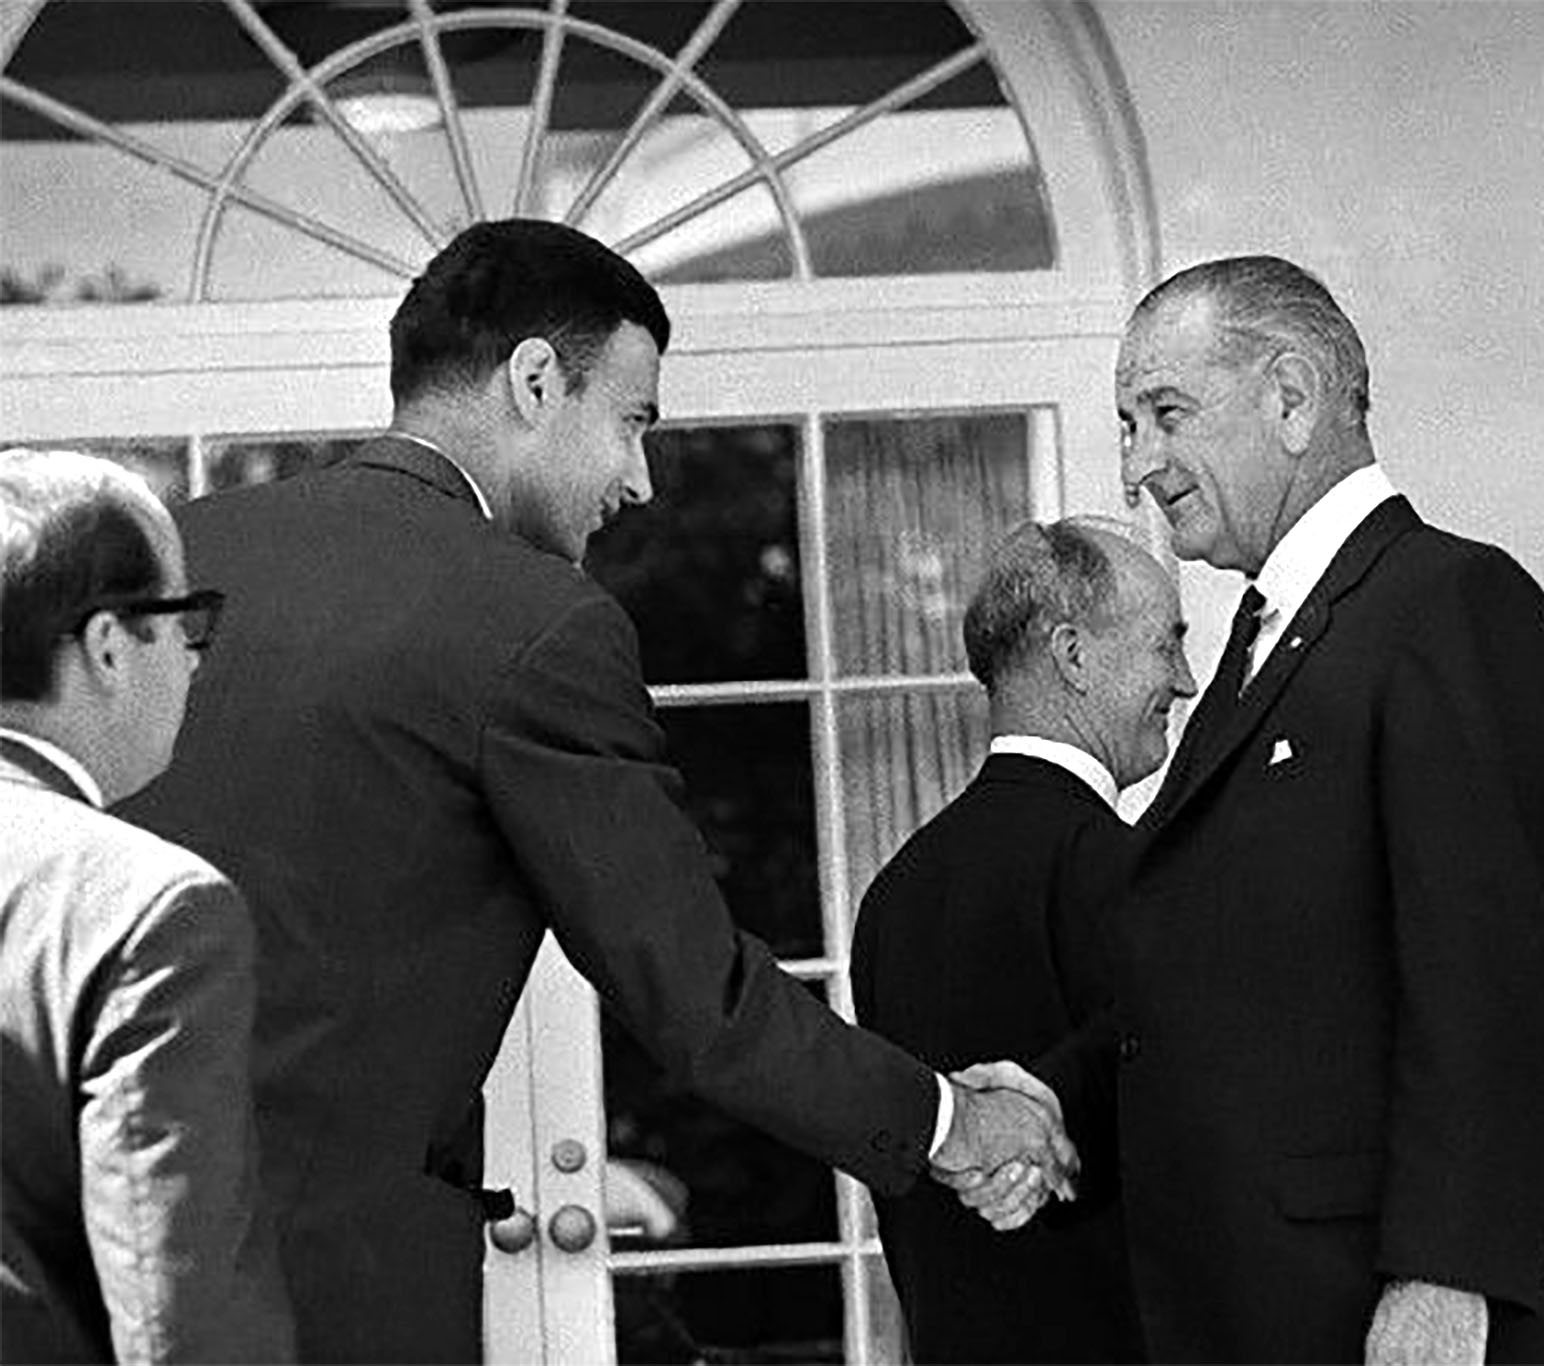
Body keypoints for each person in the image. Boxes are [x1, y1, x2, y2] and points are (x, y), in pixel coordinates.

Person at [117, 219, 1070, 1363]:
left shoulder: (158, 563)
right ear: (533, 381)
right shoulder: (533, 622)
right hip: (326, 1298)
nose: (640, 478)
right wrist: (955, 1122)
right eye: (632, 421)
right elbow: (698, 1001)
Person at [1088, 255, 1544, 1362]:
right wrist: (1052, 1098)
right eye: (1128, 425)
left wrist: (1447, 1278)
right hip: (1278, 1308)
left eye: (1165, 413)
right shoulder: (1264, 637)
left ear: (1292, 398)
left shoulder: (1453, 605)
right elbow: (1242, 973)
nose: (1140, 463)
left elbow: (1495, 977)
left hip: (1403, 1319)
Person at [853, 517, 1192, 1363]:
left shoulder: (893, 896)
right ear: (1073, 655)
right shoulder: (1132, 877)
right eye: (1165, 647)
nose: (1184, 681)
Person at [1, 448, 294, 1362]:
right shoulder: (147, 909)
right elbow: (180, 1315)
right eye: (187, 622)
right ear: (109, 646)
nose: (196, 665)